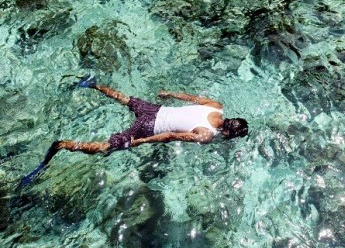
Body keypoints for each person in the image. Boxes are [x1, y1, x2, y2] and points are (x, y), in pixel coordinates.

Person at [19, 75, 248, 187]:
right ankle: (63, 145)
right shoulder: (207, 136)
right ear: (227, 134)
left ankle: (92, 84)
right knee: (106, 148)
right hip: (149, 127)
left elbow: (193, 98)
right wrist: (140, 141)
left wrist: (170, 93)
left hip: (156, 109)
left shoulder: (216, 106)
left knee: (125, 99)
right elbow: (169, 136)